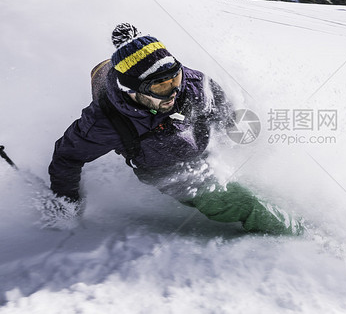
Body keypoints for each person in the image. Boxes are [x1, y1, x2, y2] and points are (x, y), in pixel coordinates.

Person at [43, 23, 303, 235]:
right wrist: (67, 201)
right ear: (133, 90)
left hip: (196, 140)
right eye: (159, 87)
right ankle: (296, 236)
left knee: (253, 171)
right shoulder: (105, 122)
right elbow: (67, 157)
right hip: (166, 168)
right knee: (240, 201)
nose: (173, 91)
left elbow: (223, 113)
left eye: (175, 78)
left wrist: (248, 143)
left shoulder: (192, 84)